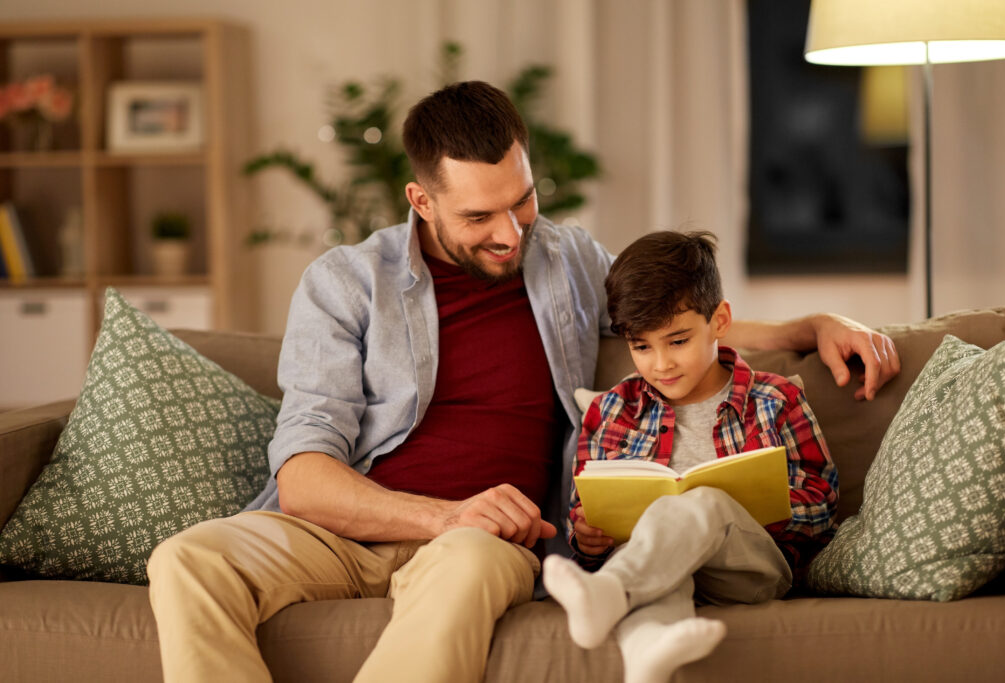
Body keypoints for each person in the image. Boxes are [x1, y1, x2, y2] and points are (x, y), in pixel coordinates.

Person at [146, 81, 899, 683]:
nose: (512, 232)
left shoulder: (565, 257)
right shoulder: (344, 284)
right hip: (345, 531)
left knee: (468, 562)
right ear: (422, 201)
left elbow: (675, 320)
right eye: (480, 215)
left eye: (524, 199)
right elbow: (306, 478)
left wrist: (810, 327)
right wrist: (442, 514)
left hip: (483, 546)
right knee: (185, 557)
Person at [543, 230, 837, 683]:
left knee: (700, 503)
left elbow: (821, 506)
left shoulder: (775, 400)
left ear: (719, 320)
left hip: (747, 570)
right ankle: (646, 655)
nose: (661, 364)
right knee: (655, 559)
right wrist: (587, 536)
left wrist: (747, 504)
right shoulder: (611, 410)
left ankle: (608, 594)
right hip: (653, 567)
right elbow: (584, 514)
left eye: (677, 341)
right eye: (642, 346)